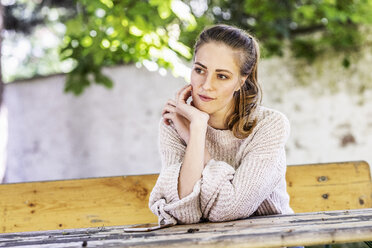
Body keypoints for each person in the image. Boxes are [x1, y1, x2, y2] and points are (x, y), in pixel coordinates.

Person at [149, 24, 297, 240]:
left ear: (241, 81)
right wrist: (198, 127)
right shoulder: (176, 121)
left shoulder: (269, 125)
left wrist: (193, 135)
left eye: (222, 76)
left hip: (272, 241)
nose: (206, 86)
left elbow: (229, 209)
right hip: (206, 243)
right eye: (200, 70)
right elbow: (181, 212)